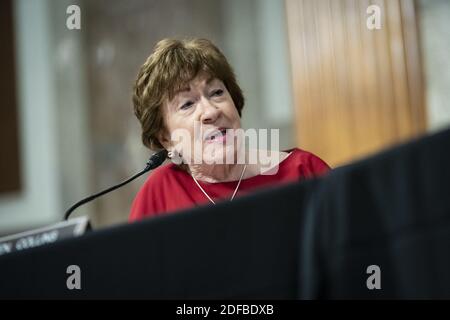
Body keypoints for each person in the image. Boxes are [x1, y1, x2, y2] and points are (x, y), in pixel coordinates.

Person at [129, 38, 330, 222]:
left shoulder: (304, 171)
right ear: (166, 138)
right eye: (187, 104)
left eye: (216, 92)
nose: (211, 111)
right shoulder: (159, 194)